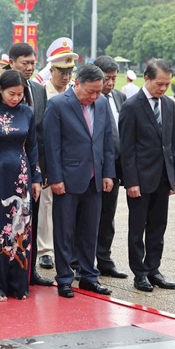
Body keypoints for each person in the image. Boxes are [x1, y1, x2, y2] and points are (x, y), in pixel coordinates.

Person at [43, 64, 116, 299]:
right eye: (90, 92)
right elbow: (51, 146)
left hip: (95, 178)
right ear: (76, 84)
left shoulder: (102, 103)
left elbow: (106, 140)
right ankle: (64, 278)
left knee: (90, 230)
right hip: (68, 178)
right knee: (64, 231)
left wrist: (108, 174)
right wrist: (55, 178)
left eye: (98, 92)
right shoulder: (57, 105)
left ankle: (89, 277)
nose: (94, 97)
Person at [0, 69, 42, 301]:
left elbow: (32, 147)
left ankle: (18, 284)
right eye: (11, 93)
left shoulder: (27, 113)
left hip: (21, 178)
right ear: (0, 90)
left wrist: (37, 178)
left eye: (20, 94)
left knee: (20, 228)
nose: (16, 98)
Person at [119, 58, 175, 293]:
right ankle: (140, 273)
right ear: (146, 78)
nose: (163, 89)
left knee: (158, 226)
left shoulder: (168, 105)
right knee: (137, 228)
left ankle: (154, 269)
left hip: (163, 177)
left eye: (167, 84)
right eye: (159, 84)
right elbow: (127, 149)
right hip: (140, 179)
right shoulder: (132, 106)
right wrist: (131, 181)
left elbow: (173, 143)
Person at [5, 43, 55, 288]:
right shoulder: (0, 88)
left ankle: (29, 269)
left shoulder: (38, 89)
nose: (29, 67)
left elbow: (42, 132)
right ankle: (6, 269)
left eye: (33, 63)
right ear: (12, 62)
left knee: (31, 219)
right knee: (8, 220)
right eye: (24, 63)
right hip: (6, 166)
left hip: (32, 166)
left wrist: (42, 169)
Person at [35, 38, 77, 273]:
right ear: (51, 70)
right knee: (46, 204)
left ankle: (66, 248)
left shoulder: (74, 92)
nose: (65, 76)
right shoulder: (42, 92)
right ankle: (45, 251)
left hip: (70, 158)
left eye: (69, 71)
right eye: (61, 71)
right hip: (48, 156)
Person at [92, 56, 129, 279]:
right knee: (86, 217)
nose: (111, 83)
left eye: (114, 78)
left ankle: (104, 259)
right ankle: (79, 262)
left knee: (108, 216)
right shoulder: (89, 99)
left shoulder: (119, 97)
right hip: (92, 167)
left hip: (114, 168)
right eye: (107, 78)